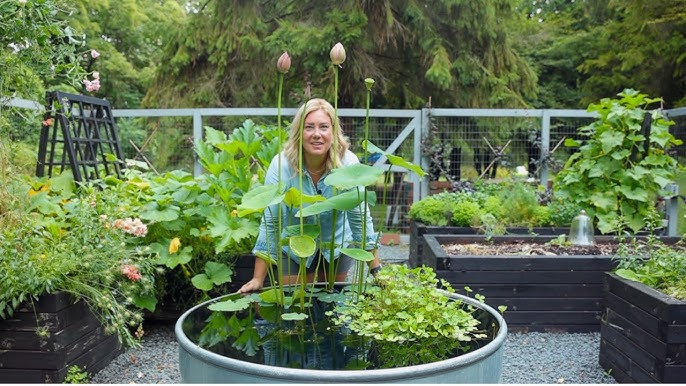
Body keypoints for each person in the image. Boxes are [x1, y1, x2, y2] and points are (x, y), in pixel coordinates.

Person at [239, 98, 381, 294]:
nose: (317, 134)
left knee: (330, 308)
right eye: (309, 127)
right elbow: (271, 222)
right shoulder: (281, 166)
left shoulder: (347, 163)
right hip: (294, 248)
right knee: (294, 308)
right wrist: (257, 279)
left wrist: (378, 272)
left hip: (336, 246)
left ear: (333, 131)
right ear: (299, 132)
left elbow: (360, 219)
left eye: (323, 127)